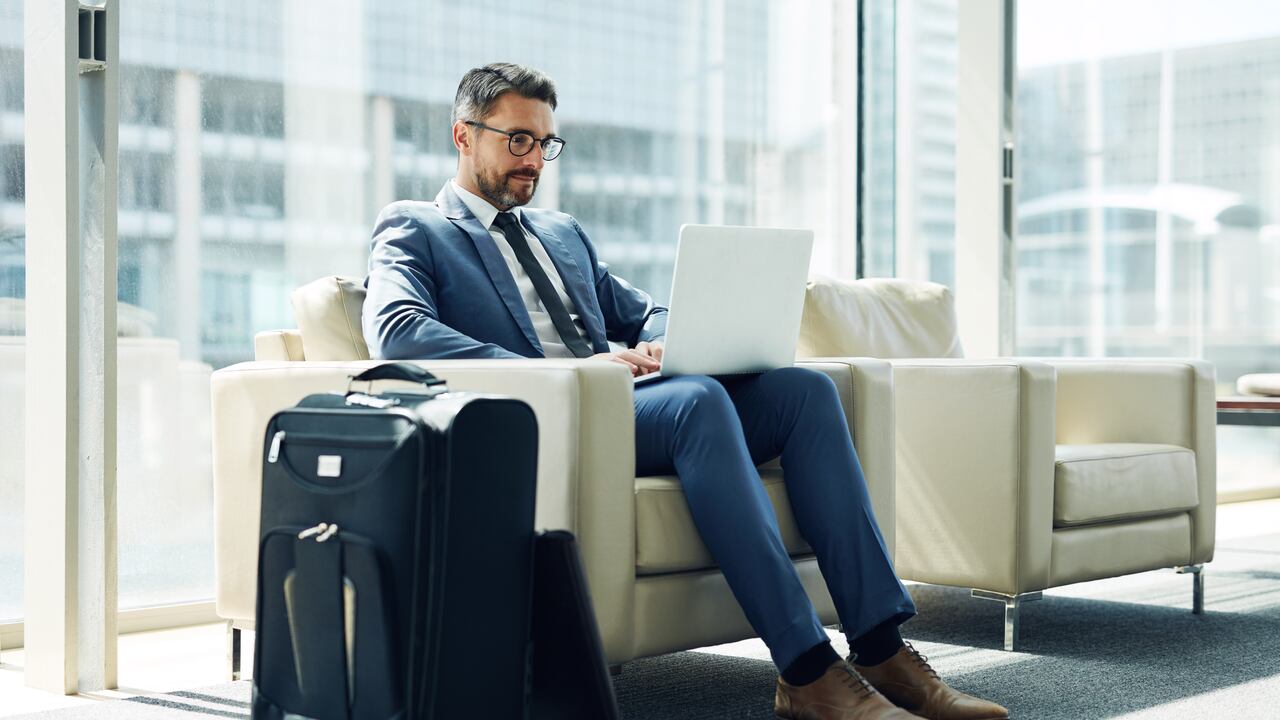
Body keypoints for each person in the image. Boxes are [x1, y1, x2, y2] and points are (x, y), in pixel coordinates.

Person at [362, 62, 1009, 720]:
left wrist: (663, 343)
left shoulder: (561, 234)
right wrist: (574, 371)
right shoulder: (415, 227)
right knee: (699, 401)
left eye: (545, 143)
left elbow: (647, 312)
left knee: (803, 393)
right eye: (517, 140)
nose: (534, 160)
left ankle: (880, 648)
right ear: (463, 136)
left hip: (628, 407)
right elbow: (397, 330)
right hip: (549, 416)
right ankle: (808, 670)